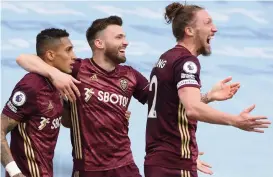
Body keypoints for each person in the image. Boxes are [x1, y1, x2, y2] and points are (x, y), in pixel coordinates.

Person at [16, 16, 241, 176]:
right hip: (87, 169)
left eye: (125, 36)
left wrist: (207, 97)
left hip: (125, 167)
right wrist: (56, 75)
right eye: (119, 37)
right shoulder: (78, 70)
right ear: (99, 43)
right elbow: (23, 58)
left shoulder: (131, 76)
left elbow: (164, 107)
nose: (126, 42)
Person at [144, 2, 271, 177]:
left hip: (158, 161)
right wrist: (235, 121)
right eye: (208, 23)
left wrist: (209, 97)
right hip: (175, 163)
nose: (215, 29)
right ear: (189, 31)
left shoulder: (166, 58)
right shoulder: (187, 62)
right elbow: (192, 109)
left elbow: (171, 106)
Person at [1, 28, 76, 177]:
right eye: (68, 51)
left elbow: (65, 122)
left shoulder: (59, 83)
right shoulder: (31, 86)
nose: (74, 56)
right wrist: (15, 173)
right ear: (50, 55)